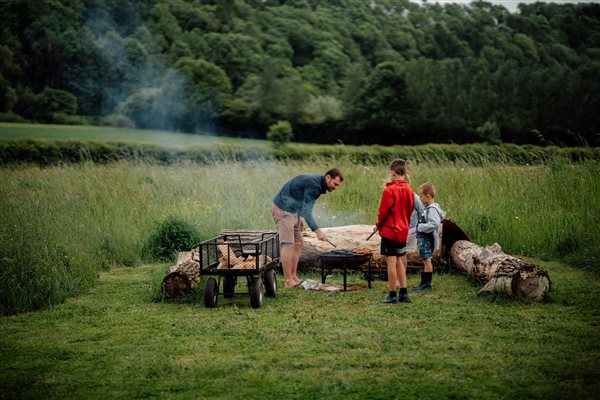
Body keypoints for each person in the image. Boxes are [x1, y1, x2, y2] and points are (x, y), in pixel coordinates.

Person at [272, 168, 344, 288]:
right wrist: (317, 231)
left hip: (294, 211)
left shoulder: (318, 184)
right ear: (327, 178)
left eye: (338, 185)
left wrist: (300, 215)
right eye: (335, 184)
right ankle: (288, 281)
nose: (336, 187)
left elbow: (301, 199)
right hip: (283, 210)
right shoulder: (314, 185)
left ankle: (294, 277)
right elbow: (307, 210)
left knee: (299, 242)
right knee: (288, 244)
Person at [373, 159, 414, 304]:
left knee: (391, 261)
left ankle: (392, 294)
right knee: (399, 260)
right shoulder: (409, 190)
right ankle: (404, 293)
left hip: (390, 231)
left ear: (393, 172)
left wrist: (378, 226)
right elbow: (409, 211)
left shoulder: (389, 190)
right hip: (403, 231)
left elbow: (383, 212)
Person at [413, 182, 446, 291]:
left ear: (428, 196)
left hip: (427, 240)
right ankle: (424, 283)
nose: (420, 198)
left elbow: (434, 223)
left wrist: (421, 227)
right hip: (423, 240)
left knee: (427, 260)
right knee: (425, 260)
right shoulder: (428, 207)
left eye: (421, 196)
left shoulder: (431, 209)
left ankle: (426, 284)